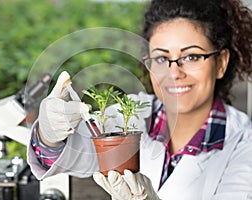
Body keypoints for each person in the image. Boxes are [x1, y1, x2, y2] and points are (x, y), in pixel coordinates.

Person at [27, 0, 252, 199]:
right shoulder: (132, 114)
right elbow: (73, 155)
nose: (174, 73)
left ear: (221, 62)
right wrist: (50, 136)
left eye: (191, 57)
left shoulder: (244, 143)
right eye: (162, 58)